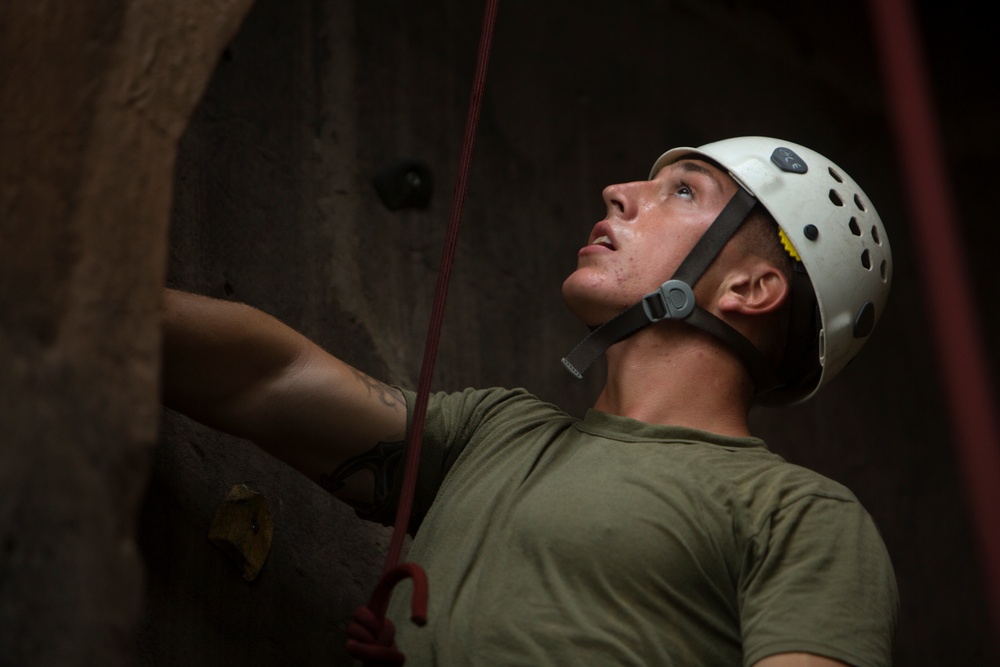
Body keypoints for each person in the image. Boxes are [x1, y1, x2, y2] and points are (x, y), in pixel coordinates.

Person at [161, 136, 898, 666]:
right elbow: (267, 380)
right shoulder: (496, 434)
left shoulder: (796, 515)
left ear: (749, 290)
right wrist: (72, 294)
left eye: (683, 191)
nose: (620, 191)